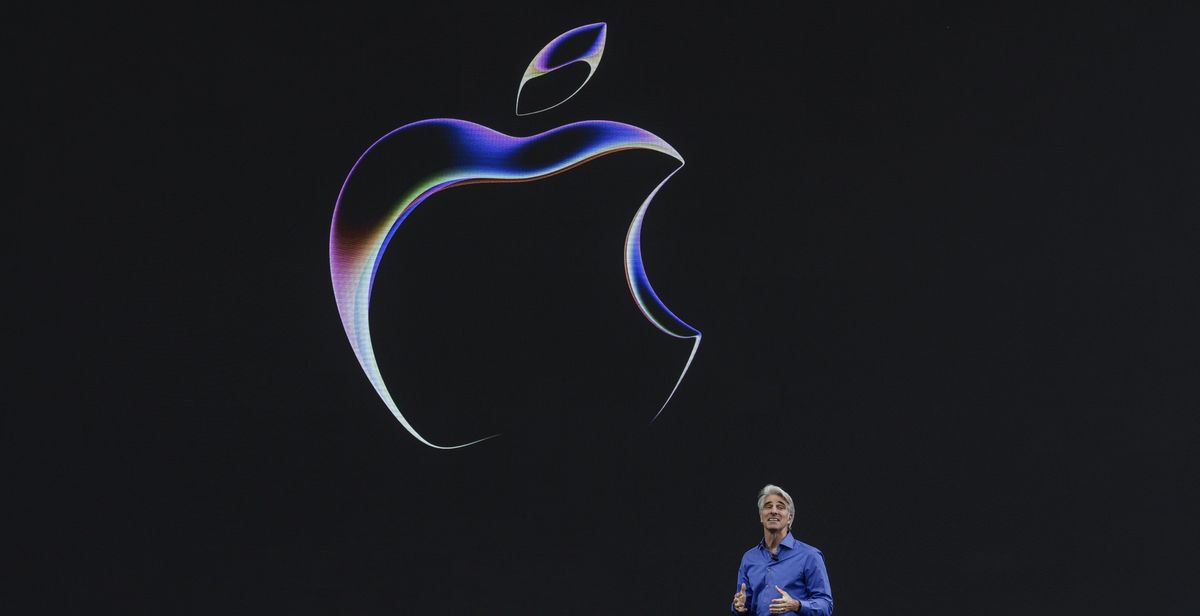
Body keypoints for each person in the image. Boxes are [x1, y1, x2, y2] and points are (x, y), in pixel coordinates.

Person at [731, 484, 833, 615]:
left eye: (780, 507)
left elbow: (826, 605)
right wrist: (738, 607)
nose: (773, 511)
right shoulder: (749, 558)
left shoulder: (809, 556)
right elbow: (744, 606)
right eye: (768, 506)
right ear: (761, 516)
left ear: (790, 517)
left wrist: (796, 605)